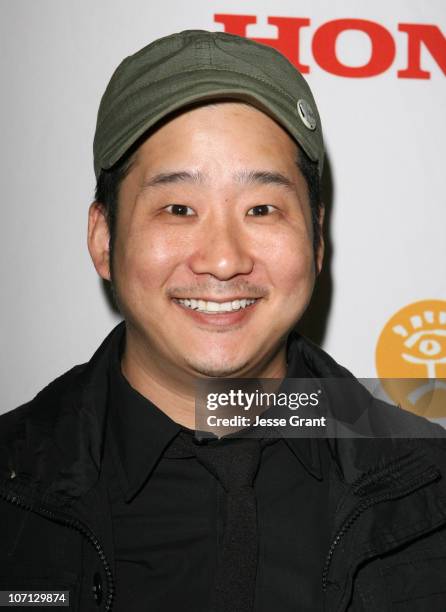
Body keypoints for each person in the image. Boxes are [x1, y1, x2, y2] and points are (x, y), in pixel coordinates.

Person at [1, 29, 446, 612]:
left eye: (262, 209)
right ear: (104, 238)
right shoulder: (14, 485)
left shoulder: (430, 486)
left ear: (316, 238)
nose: (223, 260)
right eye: (178, 208)